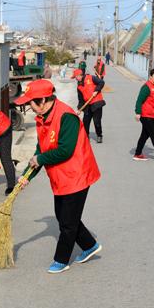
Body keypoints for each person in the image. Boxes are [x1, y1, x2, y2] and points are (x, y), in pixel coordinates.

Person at [15, 79, 102, 274]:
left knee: (67, 223)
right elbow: (41, 151)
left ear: (43, 100)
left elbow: (66, 150)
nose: (29, 107)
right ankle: (90, 246)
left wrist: (40, 159)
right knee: (64, 216)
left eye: (30, 102)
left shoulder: (66, 116)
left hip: (77, 174)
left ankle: (61, 260)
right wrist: (27, 176)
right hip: (60, 176)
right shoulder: (42, 118)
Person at [76, 69, 106, 143]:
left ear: (80, 75)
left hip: (97, 102)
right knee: (86, 121)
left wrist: (96, 90)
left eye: (76, 77)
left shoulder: (91, 78)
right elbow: (80, 100)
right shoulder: (79, 86)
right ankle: (86, 136)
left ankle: (99, 135)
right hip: (87, 105)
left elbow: (101, 82)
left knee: (97, 121)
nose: (76, 79)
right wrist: (79, 109)